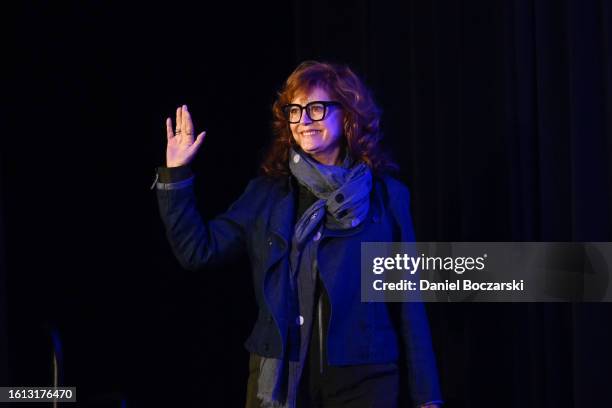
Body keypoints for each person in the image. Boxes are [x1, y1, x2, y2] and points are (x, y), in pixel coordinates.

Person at [154, 61, 443, 408]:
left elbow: (409, 301)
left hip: (366, 382)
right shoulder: (266, 195)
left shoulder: (387, 197)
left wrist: (427, 396)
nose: (304, 120)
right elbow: (197, 251)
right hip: (278, 378)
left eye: (317, 108)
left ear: (348, 115)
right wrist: (176, 174)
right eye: (295, 110)